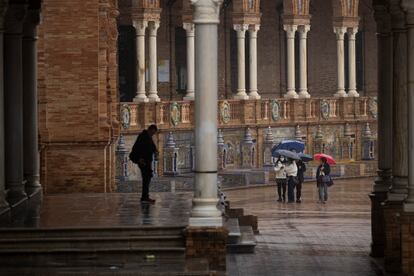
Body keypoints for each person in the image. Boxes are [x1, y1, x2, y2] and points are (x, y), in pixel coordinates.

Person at [130, 124, 159, 203]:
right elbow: (136, 148)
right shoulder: (142, 136)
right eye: (153, 132)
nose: (153, 134)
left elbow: (153, 147)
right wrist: (140, 159)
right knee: (146, 178)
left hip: (147, 161)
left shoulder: (149, 137)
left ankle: (145, 196)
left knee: (147, 178)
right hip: (143, 161)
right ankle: (145, 197)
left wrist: (155, 152)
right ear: (150, 130)